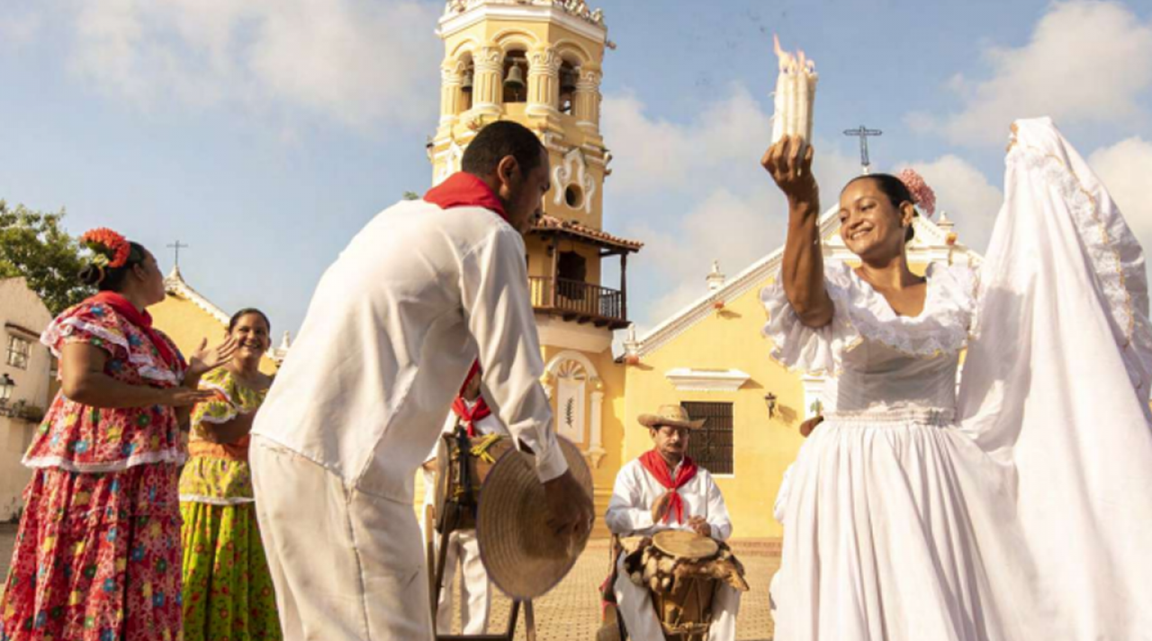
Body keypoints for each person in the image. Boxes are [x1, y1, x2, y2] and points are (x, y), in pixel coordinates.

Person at [762, 119, 1152, 640]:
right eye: (845, 213)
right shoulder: (838, 287)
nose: (851, 220)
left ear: (905, 214)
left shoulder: (958, 287)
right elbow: (808, 308)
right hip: (852, 463)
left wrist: (1033, 179)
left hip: (938, 467)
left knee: (937, 601)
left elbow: (1030, 296)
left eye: (866, 206)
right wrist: (801, 205)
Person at [249, 120, 595, 640]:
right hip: (346, 458)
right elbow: (515, 378)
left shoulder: (398, 219)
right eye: (541, 186)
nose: (542, 208)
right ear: (507, 173)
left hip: (280, 444)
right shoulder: (489, 233)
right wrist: (555, 475)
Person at [0, 228, 235, 641]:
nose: (162, 275)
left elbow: (174, 419)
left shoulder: (155, 340)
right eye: (157, 267)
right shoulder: (94, 319)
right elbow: (80, 384)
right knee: (92, 571)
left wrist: (192, 378)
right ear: (140, 271)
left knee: (138, 583)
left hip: (145, 488)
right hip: (99, 479)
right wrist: (167, 393)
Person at [179, 308, 281, 641]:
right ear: (229, 336)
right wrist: (267, 407)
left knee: (251, 577)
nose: (252, 337)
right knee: (209, 571)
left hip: (258, 492)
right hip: (211, 493)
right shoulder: (217, 380)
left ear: (268, 342)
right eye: (244, 329)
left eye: (260, 332)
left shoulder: (274, 384)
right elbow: (217, 433)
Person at [605, 405, 740, 641]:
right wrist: (650, 516)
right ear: (653, 434)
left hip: (695, 550)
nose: (676, 438)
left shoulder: (702, 477)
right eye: (669, 432)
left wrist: (710, 529)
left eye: (683, 433)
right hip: (646, 547)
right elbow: (614, 518)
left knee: (731, 578)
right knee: (630, 579)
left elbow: (724, 523)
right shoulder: (633, 473)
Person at [424, 361, 505, 636]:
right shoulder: (438, 412)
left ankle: (475, 637)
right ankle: (437, 635)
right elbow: (424, 457)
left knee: (478, 586)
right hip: (441, 511)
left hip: (479, 514)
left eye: (472, 377)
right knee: (439, 585)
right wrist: (455, 465)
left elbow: (505, 458)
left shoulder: (495, 417)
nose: (468, 383)